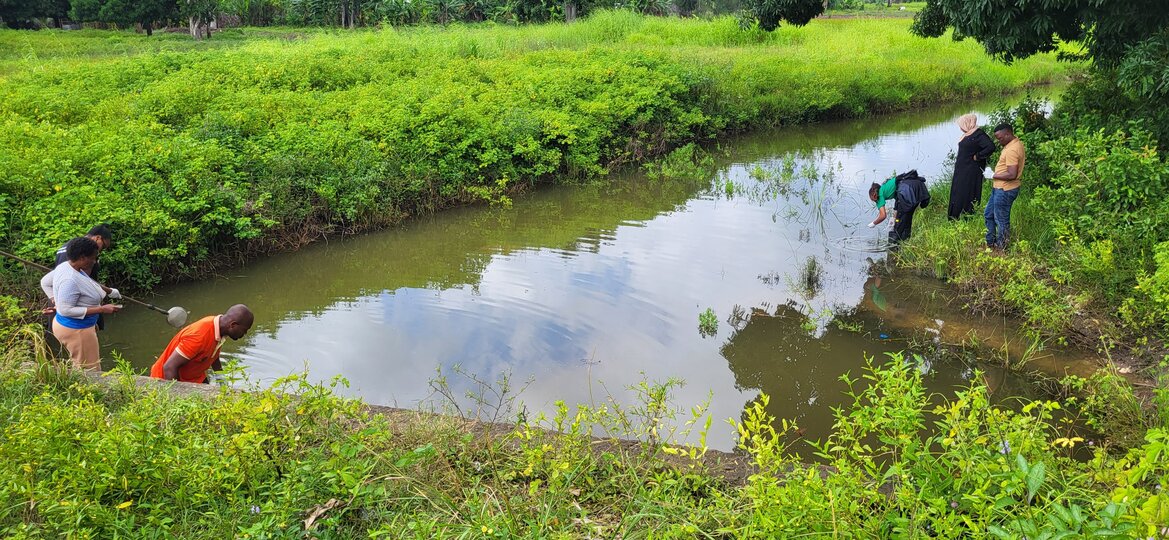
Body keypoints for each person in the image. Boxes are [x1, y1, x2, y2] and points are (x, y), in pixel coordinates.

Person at [39, 237, 121, 371]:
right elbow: (66, 310)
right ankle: (88, 391)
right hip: (76, 330)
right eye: (93, 258)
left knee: (82, 363)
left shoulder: (67, 266)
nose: (95, 261)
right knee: (89, 370)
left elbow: (45, 282)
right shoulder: (69, 279)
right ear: (82, 258)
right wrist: (101, 309)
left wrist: (56, 300)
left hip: (79, 326)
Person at [150, 304, 254, 384]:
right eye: (244, 330)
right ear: (233, 325)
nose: (244, 334)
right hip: (165, 379)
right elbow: (169, 367)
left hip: (194, 376)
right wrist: (178, 399)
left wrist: (221, 380)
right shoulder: (199, 335)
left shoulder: (220, 329)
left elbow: (214, 356)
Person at [54, 224, 119, 329]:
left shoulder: (72, 245)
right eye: (104, 246)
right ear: (97, 238)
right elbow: (83, 280)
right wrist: (109, 292)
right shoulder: (81, 254)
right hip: (75, 308)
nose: (101, 251)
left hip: (66, 302)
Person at [985, 123, 1026, 250]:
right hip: (999, 188)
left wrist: (993, 175)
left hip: (1005, 189)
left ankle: (1002, 247)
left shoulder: (1012, 150)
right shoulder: (1014, 144)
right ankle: (991, 242)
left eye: (1000, 138)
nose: (998, 141)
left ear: (1008, 134)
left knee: (1001, 219)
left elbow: (1012, 174)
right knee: (989, 214)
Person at [948, 113, 996, 220]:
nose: (960, 128)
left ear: (967, 123)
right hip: (962, 169)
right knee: (958, 190)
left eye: (961, 125)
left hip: (971, 170)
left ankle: (967, 215)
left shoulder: (978, 134)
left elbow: (990, 147)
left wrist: (978, 156)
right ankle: (955, 216)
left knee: (968, 191)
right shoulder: (968, 134)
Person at [868, 170, 931, 243]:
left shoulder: (879, 194)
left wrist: (873, 223)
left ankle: (894, 247)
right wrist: (893, 219)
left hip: (908, 189)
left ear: (874, 195)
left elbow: (883, 215)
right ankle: (906, 241)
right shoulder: (890, 186)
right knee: (907, 217)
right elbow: (898, 204)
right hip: (917, 186)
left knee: (898, 225)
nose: (875, 202)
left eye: (873, 200)